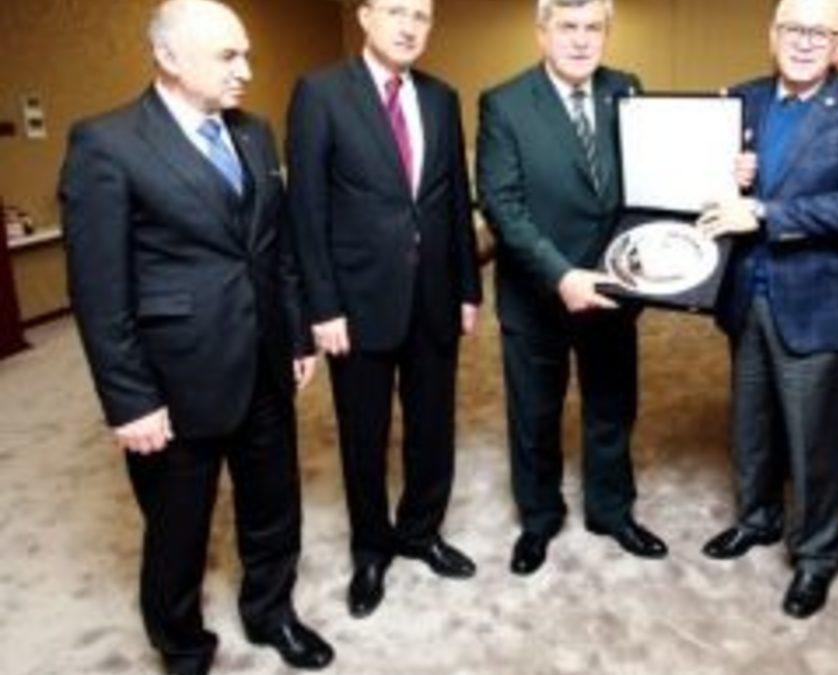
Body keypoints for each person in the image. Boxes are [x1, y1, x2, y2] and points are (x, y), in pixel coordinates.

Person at [58, 1, 335, 672]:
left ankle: (272, 613)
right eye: (228, 56)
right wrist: (130, 401)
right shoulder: (106, 143)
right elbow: (98, 290)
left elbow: (276, 249)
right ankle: (182, 646)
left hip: (265, 359)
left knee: (274, 507)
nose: (246, 70)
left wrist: (297, 336)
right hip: (175, 379)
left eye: (246, 54)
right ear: (169, 57)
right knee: (177, 529)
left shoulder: (255, 133)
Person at [696, 0, 838, 620]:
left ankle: (815, 556)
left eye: (821, 32)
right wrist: (727, 177)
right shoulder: (741, 98)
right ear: (772, 34)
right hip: (746, 293)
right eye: (794, 29)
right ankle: (756, 519)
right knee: (750, 422)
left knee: (814, 440)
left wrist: (762, 211)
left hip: (818, 299)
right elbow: (709, 192)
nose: (805, 42)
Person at [286, 0, 482, 618]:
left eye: (421, 16)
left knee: (433, 427)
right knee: (363, 436)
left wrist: (469, 287)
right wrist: (323, 306)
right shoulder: (320, 94)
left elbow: (455, 200)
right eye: (397, 11)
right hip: (358, 302)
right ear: (365, 16)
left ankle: (422, 530)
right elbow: (306, 211)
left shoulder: (441, 98)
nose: (409, 26)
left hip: (435, 296)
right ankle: (370, 549)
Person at [476, 0, 667, 577]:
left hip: (611, 290)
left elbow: (649, 177)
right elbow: (502, 206)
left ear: (606, 32)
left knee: (612, 407)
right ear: (542, 33)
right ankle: (538, 520)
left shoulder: (626, 89)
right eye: (567, 27)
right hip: (538, 293)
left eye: (593, 28)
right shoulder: (505, 103)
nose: (581, 40)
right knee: (535, 416)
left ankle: (612, 511)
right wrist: (561, 275)